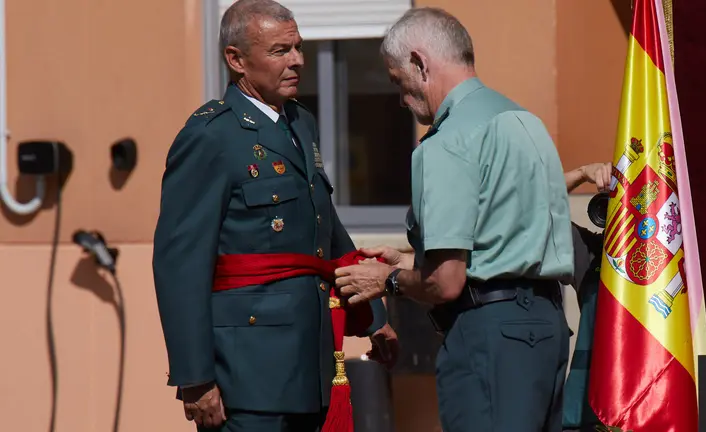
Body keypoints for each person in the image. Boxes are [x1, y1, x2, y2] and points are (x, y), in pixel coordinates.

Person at [151, 1, 397, 431]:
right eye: (281, 51)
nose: (297, 60)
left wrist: (373, 316)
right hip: (247, 372)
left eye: (298, 47)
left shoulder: (301, 122)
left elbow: (325, 227)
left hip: (310, 361)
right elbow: (180, 264)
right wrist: (195, 378)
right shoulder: (211, 135)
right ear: (236, 60)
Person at [334, 7, 575, 432]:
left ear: (419, 63)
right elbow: (501, 241)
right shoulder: (525, 122)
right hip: (546, 325)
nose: (401, 98)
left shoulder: (447, 142)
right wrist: (409, 262)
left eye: (398, 81)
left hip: (489, 334)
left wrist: (387, 281)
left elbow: (446, 282)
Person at [561, 162, 611, 432]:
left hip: (659, 407)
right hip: (588, 414)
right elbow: (528, 205)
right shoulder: (591, 254)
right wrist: (582, 174)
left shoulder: (675, 262)